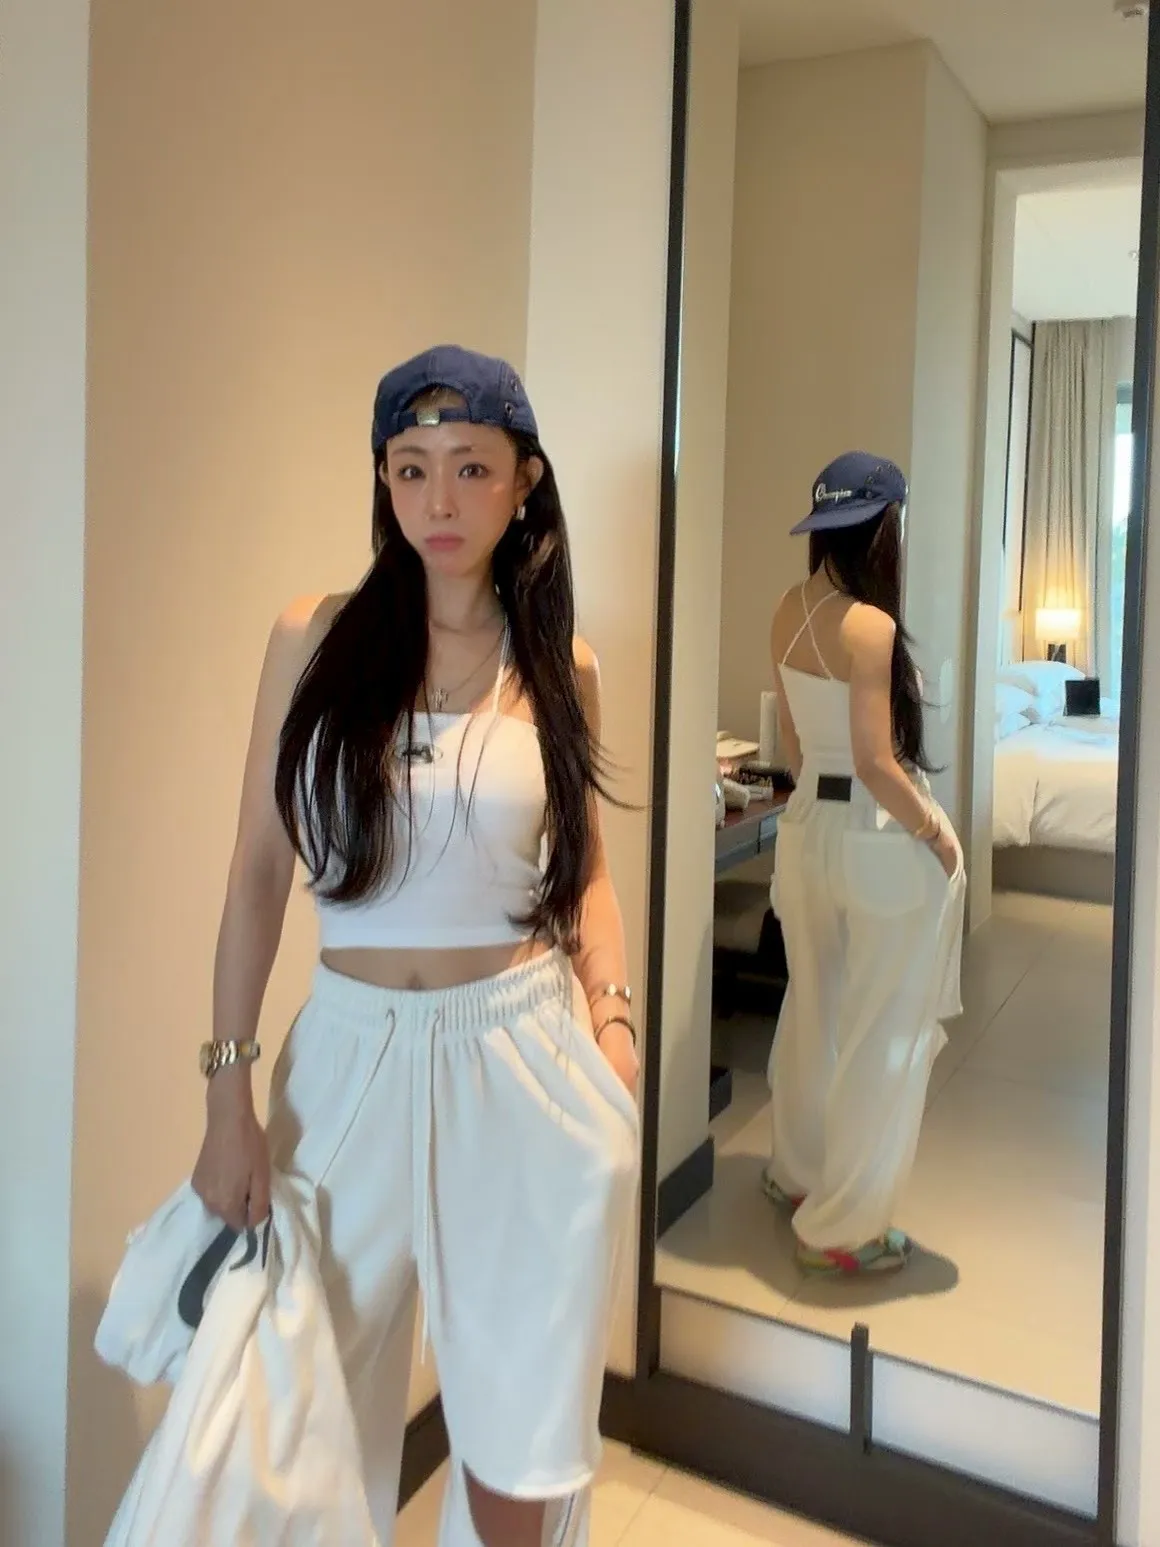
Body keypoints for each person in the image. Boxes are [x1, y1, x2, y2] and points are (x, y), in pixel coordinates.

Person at [190, 345, 641, 1547]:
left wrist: (612, 1023)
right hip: (349, 1058)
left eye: (471, 467)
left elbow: (584, 870)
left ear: (523, 481)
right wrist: (227, 1091)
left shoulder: (561, 666)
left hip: (521, 1055)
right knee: (289, 1416)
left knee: (517, 1433)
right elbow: (255, 873)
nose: (438, 499)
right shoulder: (314, 638)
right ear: (383, 479)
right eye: (410, 468)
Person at [761, 451, 964, 1277]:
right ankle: (844, 1225)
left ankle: (798, 1171)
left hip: (806, 827)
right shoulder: (870, 627)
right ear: (885, 528)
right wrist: (938, 834)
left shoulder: (787, 608)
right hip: (873, 837)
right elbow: (878, 762)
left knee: (814, 1007)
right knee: (882, 1028)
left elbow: (795, 744)